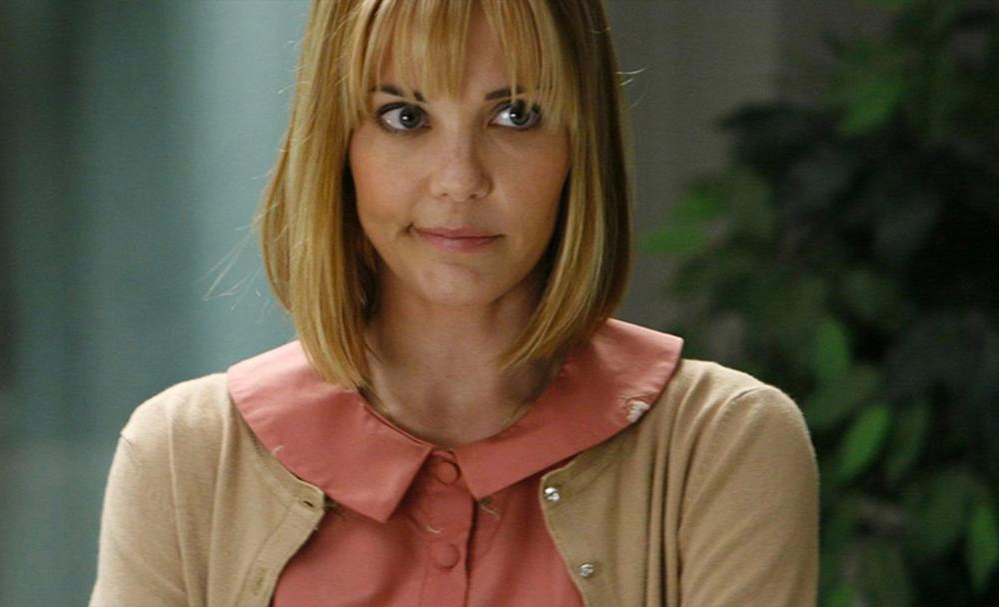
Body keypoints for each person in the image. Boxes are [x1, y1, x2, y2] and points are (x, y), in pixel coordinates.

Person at [90, 0, 819, 605]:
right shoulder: (185, 457)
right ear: (337, 145)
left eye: (517, 115)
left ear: (581, 144)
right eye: (405, 117)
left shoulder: (720, 444)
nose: (459, 179)